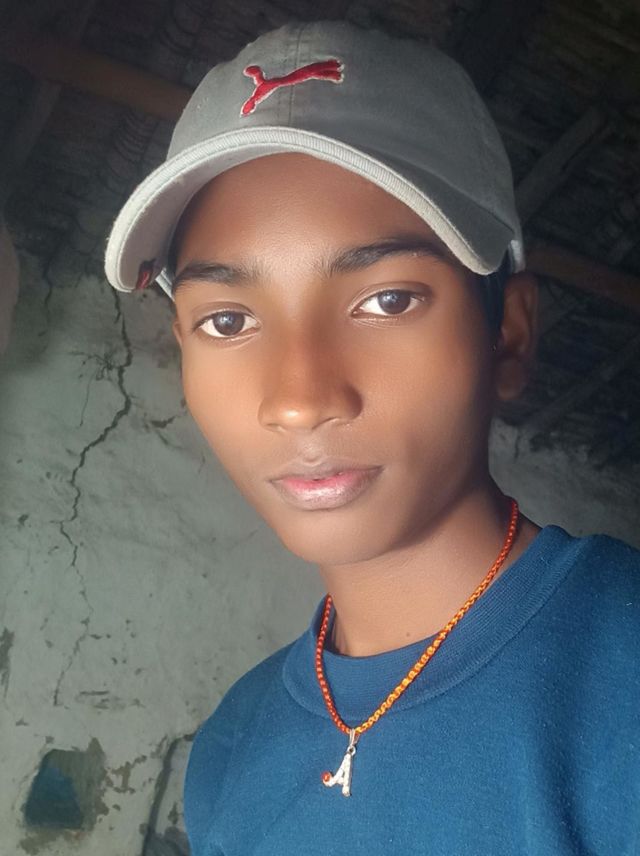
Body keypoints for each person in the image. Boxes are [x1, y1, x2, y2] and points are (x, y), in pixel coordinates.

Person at [105, 21, 640, 855]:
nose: (299, 401)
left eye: (388, 300)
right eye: (228, 320)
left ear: (509, 334)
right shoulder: (231, 748)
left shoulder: (620, 681)